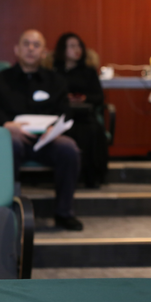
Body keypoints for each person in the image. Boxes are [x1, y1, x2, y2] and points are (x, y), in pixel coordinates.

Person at [0, 29, 83, 231]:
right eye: (26, 44)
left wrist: (54, 129)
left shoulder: (56, 81)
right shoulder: (0, 80)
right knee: (9, 146)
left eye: (36, 45)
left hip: (48, 140)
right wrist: (7, 125)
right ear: (17, 49)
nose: (31, 48)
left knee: (69, 149)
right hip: (14, 138)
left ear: (44, 52)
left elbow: (65, 112)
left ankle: (64, 213)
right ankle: (8, 211)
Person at [53, 32, 109, 188]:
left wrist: (84, 98)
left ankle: (91, 177)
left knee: (92, 130)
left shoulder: (88, 71)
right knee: (66, 130)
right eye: (72, 46)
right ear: (63, 50)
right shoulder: (54, 72)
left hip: (84, 115)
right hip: (63, 115)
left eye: (79, 46)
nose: (77, 49)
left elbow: (99, 97)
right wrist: (66, 98)